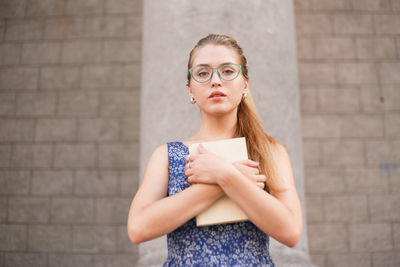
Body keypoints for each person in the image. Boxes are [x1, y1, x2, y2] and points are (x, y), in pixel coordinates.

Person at [127, 33, 302, 266]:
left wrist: (224, 174)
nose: (216, 81)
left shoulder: (269, 151)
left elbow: (290, 232)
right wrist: (222, 183)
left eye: (228, 71)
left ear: (245, 84)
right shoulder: (167, 156)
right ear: (190, 90)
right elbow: (138, 228)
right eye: (202, 73)